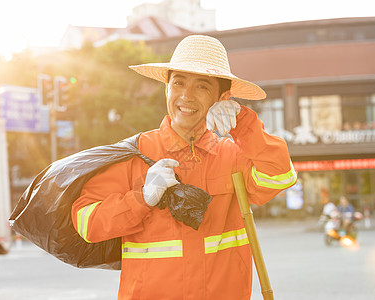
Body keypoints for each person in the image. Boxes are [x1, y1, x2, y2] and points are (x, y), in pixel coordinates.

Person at [71, 35, 297, 300]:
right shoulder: (134, 154)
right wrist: (140, 198)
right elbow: (87, 223)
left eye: (202, 86)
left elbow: (280, 176)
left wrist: (243, 125)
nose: (186, 96)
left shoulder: (233, 155)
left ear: (222, 97)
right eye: (178, 83)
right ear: (167, 88)